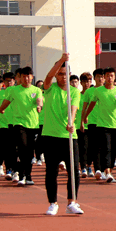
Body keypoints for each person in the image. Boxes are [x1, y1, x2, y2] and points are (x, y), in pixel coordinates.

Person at [42, 53, 84, 216]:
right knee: (51, 171)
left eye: (65, 73)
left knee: (74, 171)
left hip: (68, 136)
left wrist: (71, 122)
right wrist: (61, 60)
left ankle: (71, 202)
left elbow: (73, 108)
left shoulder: (74, 92)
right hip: (50, 136)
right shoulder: (49, 89)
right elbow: (48, 77)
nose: (62, 77)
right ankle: (53, 203)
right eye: (59, 74)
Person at [0, 67, 42, 186]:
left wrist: (39, 106)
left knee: (29, 152)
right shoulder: (14, 90)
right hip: (18, 123)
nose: (26, 78)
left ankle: (28, 175)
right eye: (23, 76)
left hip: (33, 124)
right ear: (20, 78)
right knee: (23, 147)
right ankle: (21, 175)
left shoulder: (36, 90)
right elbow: (6, 102)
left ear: (32, 77)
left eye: (28, 76)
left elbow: (39, 100)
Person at [83, 67, 116, 183]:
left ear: (114, 77)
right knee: (106, 147)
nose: (109, 78)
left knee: (114, 148)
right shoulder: (98, 91)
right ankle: (107, 172)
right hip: (102, 125)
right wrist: (85, 115)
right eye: (107, 76)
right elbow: (91, 104)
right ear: (104, 77)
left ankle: (108, 169)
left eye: (112, 76)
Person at [76, 72, 92, 178]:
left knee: (91, 148)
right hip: (80, 125)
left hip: (93, 124)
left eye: (89, 81)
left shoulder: (94, 94)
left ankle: (89, 165)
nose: (88, 83)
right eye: (85, 81)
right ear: (81, 83)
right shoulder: (77, 95)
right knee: (83, 147)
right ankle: (83, 167)